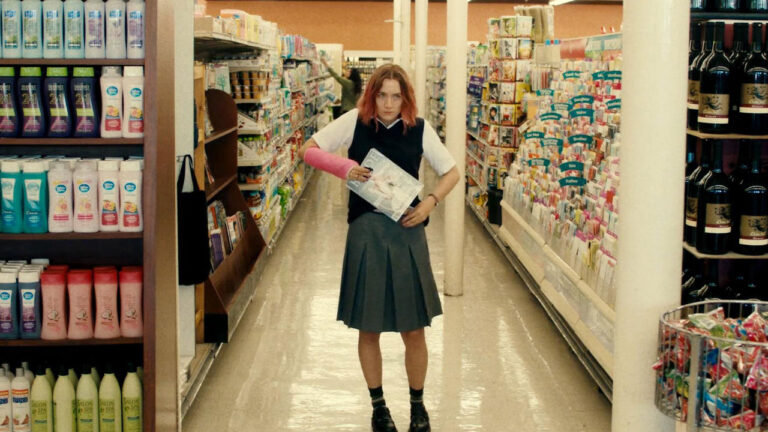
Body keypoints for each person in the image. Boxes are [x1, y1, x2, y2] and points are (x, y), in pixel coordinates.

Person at [299, 64, 459, 432]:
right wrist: (344, 167)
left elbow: (452, 172)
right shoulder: (355, 121)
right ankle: (379, 408)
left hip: (407, 231)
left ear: (406, 98)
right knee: (368, 327)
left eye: (395, 96)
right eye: (382, 95)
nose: (388, 104)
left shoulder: (419, 128)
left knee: (414, 328)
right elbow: (309, 150)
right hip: (367, 231)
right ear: (372, 95)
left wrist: (430, 202)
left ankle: (418, 406)